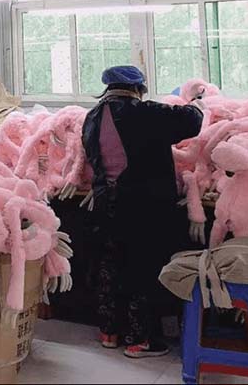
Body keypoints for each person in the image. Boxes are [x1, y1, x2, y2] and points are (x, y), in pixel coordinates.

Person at [81, 65, 204, 359]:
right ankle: (142, 339)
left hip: (106, 203)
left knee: (110, 266)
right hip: (142, 207)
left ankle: (110, 332)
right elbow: (192, 122)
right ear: (138, 88)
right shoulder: (146, 112)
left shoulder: (92, 117)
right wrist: (197, 102)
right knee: (143, 268)